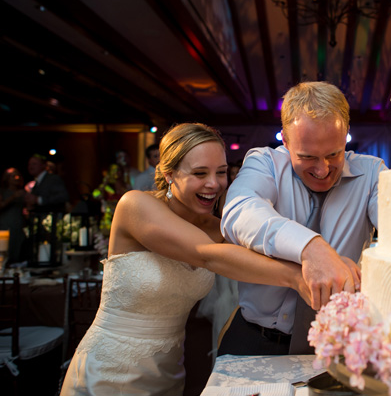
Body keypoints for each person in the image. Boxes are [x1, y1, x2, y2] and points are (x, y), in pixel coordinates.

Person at [61, 123, 311, 396]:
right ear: (169, 174)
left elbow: (263, 255)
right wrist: (299, 277)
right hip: (109, 370)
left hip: (168, 371)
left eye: (221, 172)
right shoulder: (135, 206)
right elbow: (207, 256)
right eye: (200, 173)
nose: (213, 184)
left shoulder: (218, 229)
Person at [220, 81, 387, 355]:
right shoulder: (265, 163)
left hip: (339, 344)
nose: (323, 170)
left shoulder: (371, 173)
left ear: (345, 134)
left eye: (334, 154)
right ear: (285, 140)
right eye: (308, 157)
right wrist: (312, 248)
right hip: (256, 339)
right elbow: (239, 211)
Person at [0, 168, 26, 264]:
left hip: (19, 227)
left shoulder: (23, 192)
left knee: (18, 252)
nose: (16, 178)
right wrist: (13, 197)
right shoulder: (3, 192)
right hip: (5, 226)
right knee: (6, 252)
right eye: (13, 176)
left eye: (18, 175)